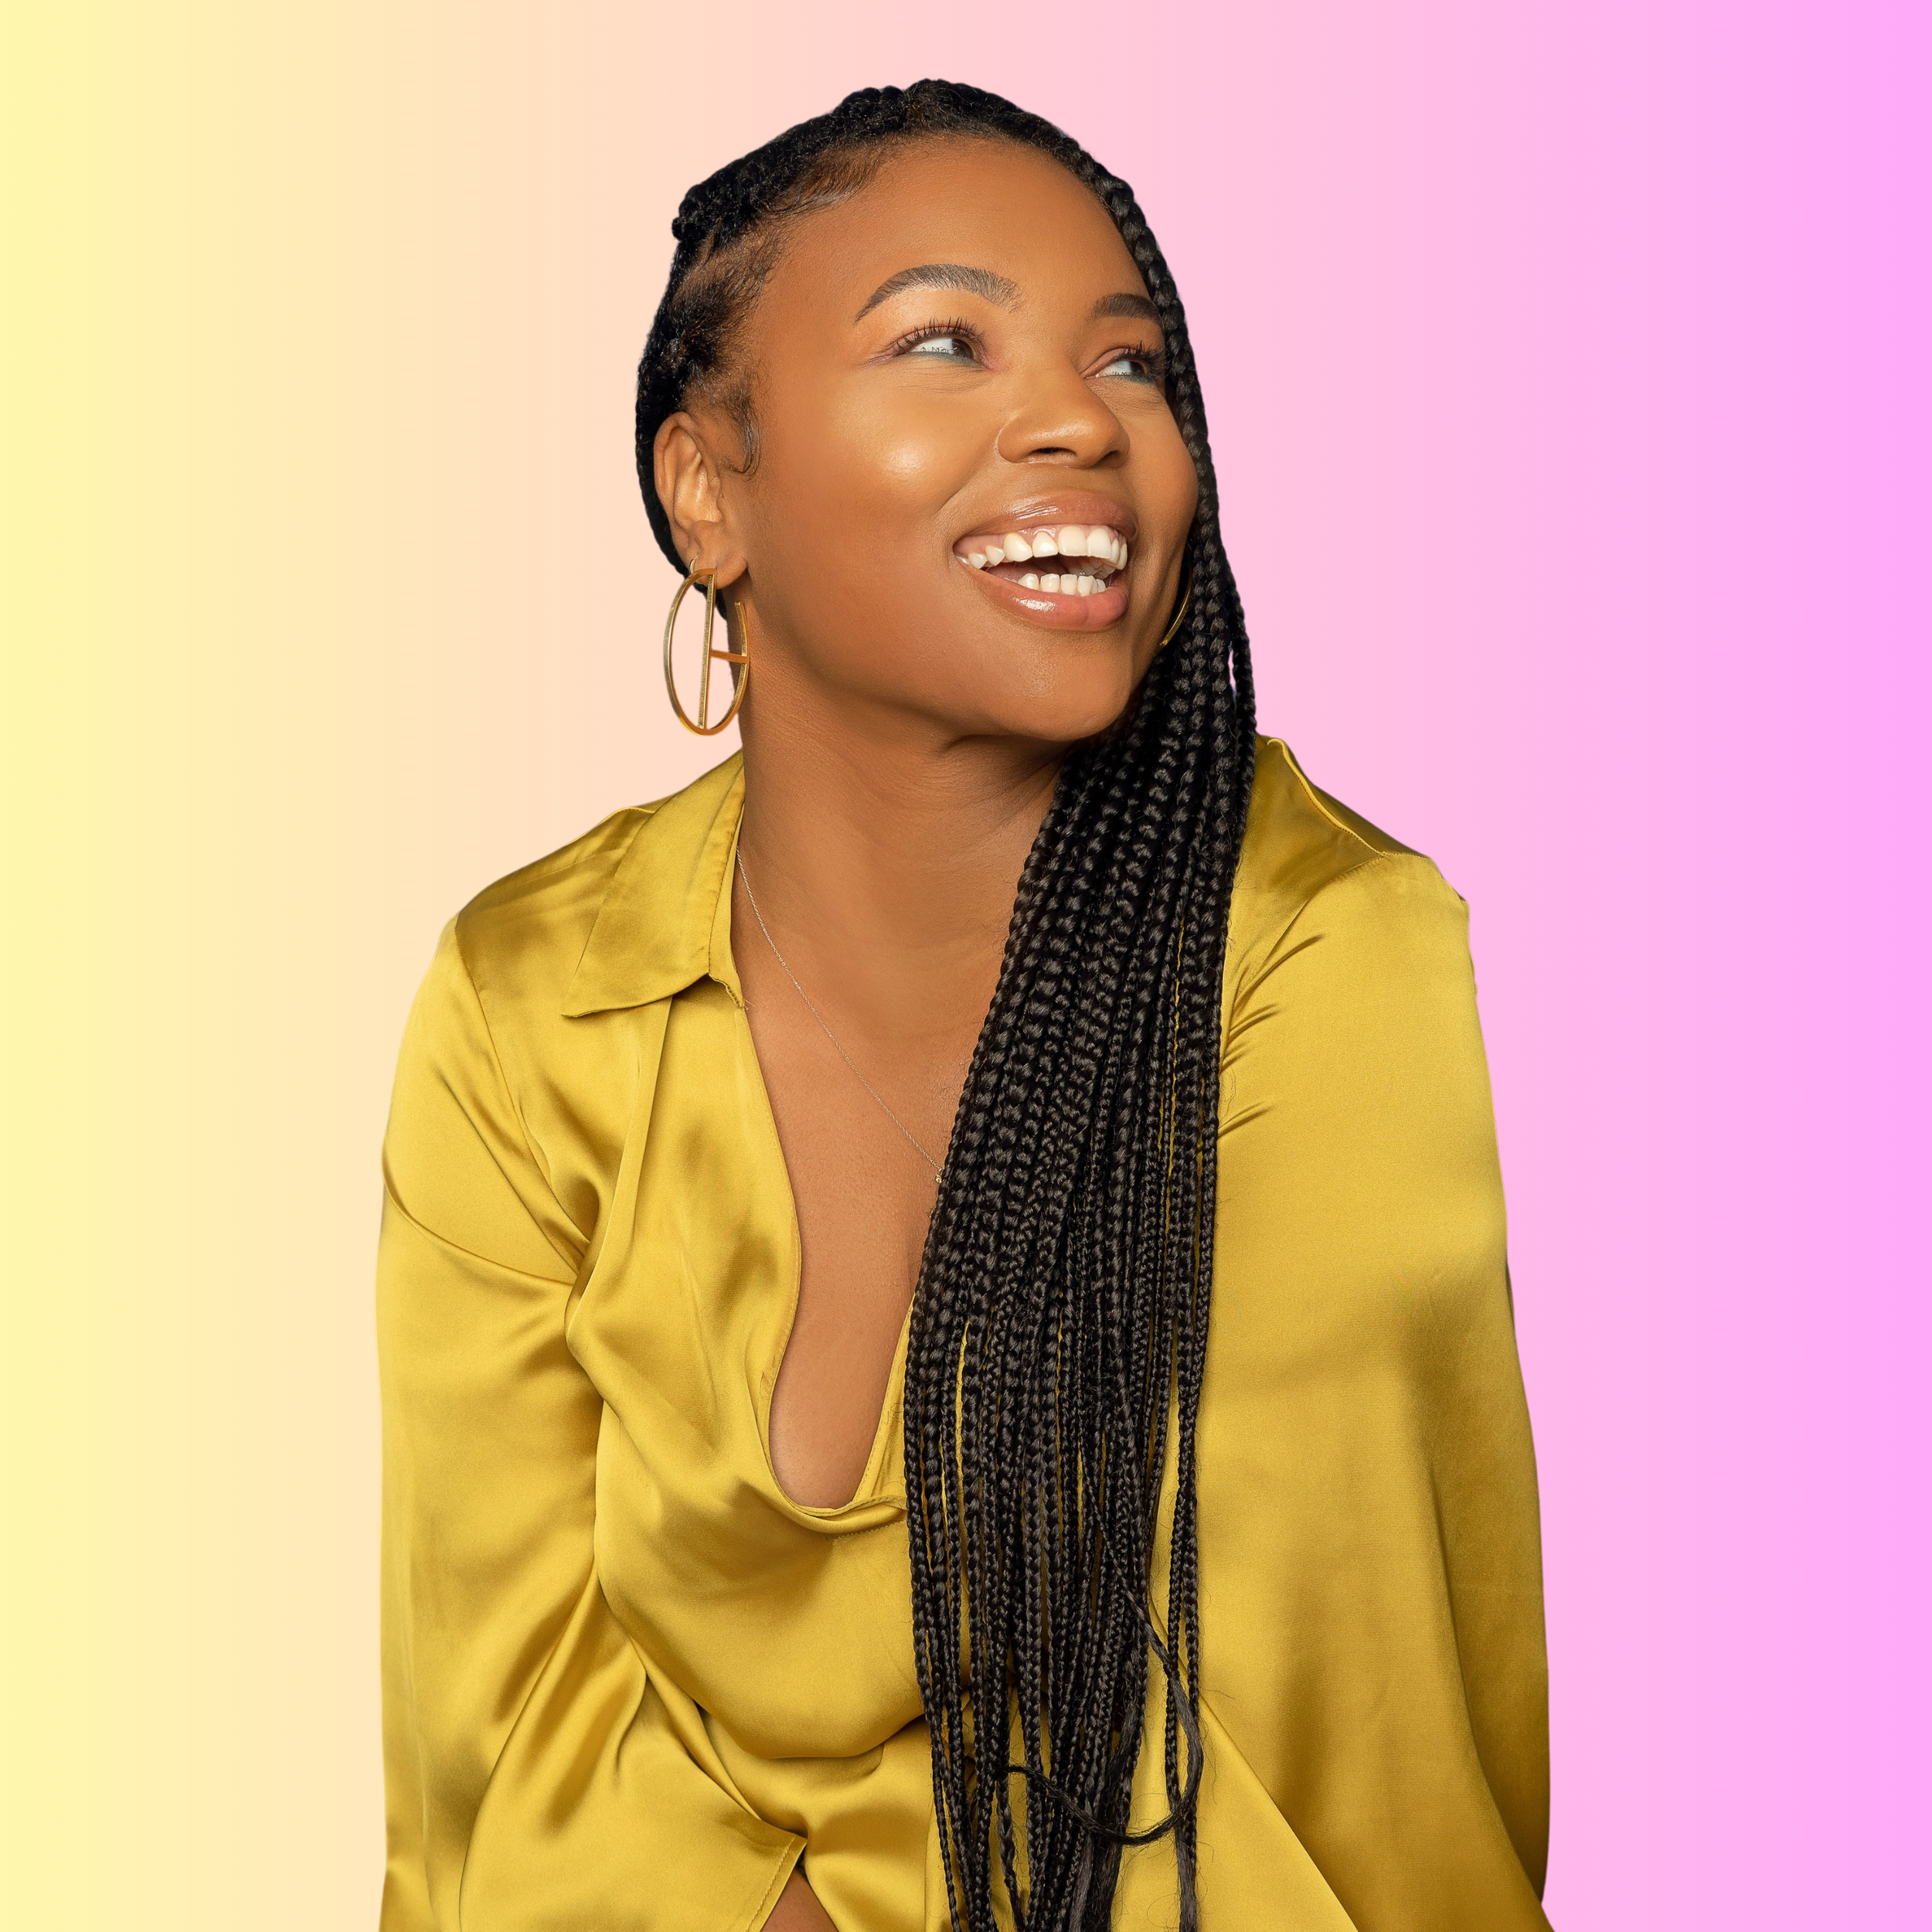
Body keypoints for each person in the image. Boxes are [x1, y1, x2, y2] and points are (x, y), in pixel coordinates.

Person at [375, 81, 1550, 1932]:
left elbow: (1265, 1762)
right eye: (943, 340)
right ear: (707, 487)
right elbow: (496, 1741)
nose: (1084, 418)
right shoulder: (531, 1002)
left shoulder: (1319, 954)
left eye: (1133, 364)